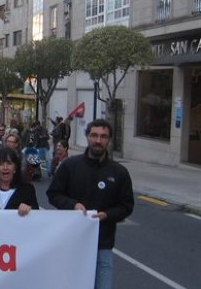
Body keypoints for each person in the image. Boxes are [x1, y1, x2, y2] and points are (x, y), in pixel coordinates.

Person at [47, 119, 134, 289]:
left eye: (103, 136)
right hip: (72, 243)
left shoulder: (119, 173)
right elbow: (53, 194)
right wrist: (73, 205)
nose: (98, 140)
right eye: (94, 135)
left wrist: (107, 215)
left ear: (109, 140)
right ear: (87, 136)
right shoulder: (70, 166)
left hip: (103, 245)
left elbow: (126, 205)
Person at [0, 147, 39, 216]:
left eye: (9, 163)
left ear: (15, 168)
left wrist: (29, 209)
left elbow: (37, 216)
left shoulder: (27, 189)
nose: (5, 168)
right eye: (0, 164)